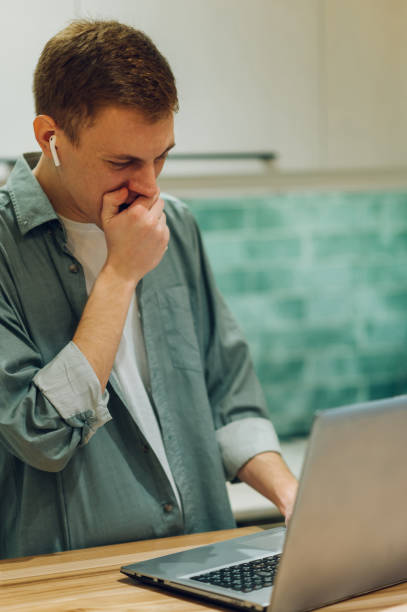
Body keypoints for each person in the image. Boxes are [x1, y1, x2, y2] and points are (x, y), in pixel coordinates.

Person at [0, 19, 297, 560]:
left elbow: (229, 398)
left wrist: (292, 494)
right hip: (75, 585)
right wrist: (119, 275)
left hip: (204, 561)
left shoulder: (175, 225)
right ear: (51, 136)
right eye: (124, 163)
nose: (150, 186)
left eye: (161, 156)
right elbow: (37, 432)